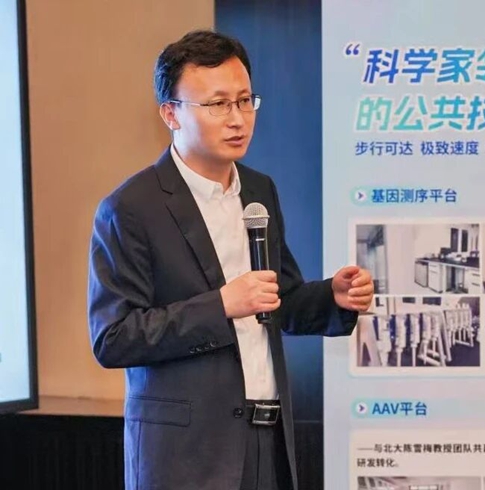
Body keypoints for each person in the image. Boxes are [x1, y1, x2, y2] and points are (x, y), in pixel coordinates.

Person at [87, 29, 374, 490]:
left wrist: (332, 297)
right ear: (171, 113)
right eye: (218, 104)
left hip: (267, 441)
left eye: (244, 101)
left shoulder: (259, 191)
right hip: (186, 456)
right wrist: (221, 305)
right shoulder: (130, 208)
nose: (237, 119)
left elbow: (278, 300)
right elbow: (114, 338)